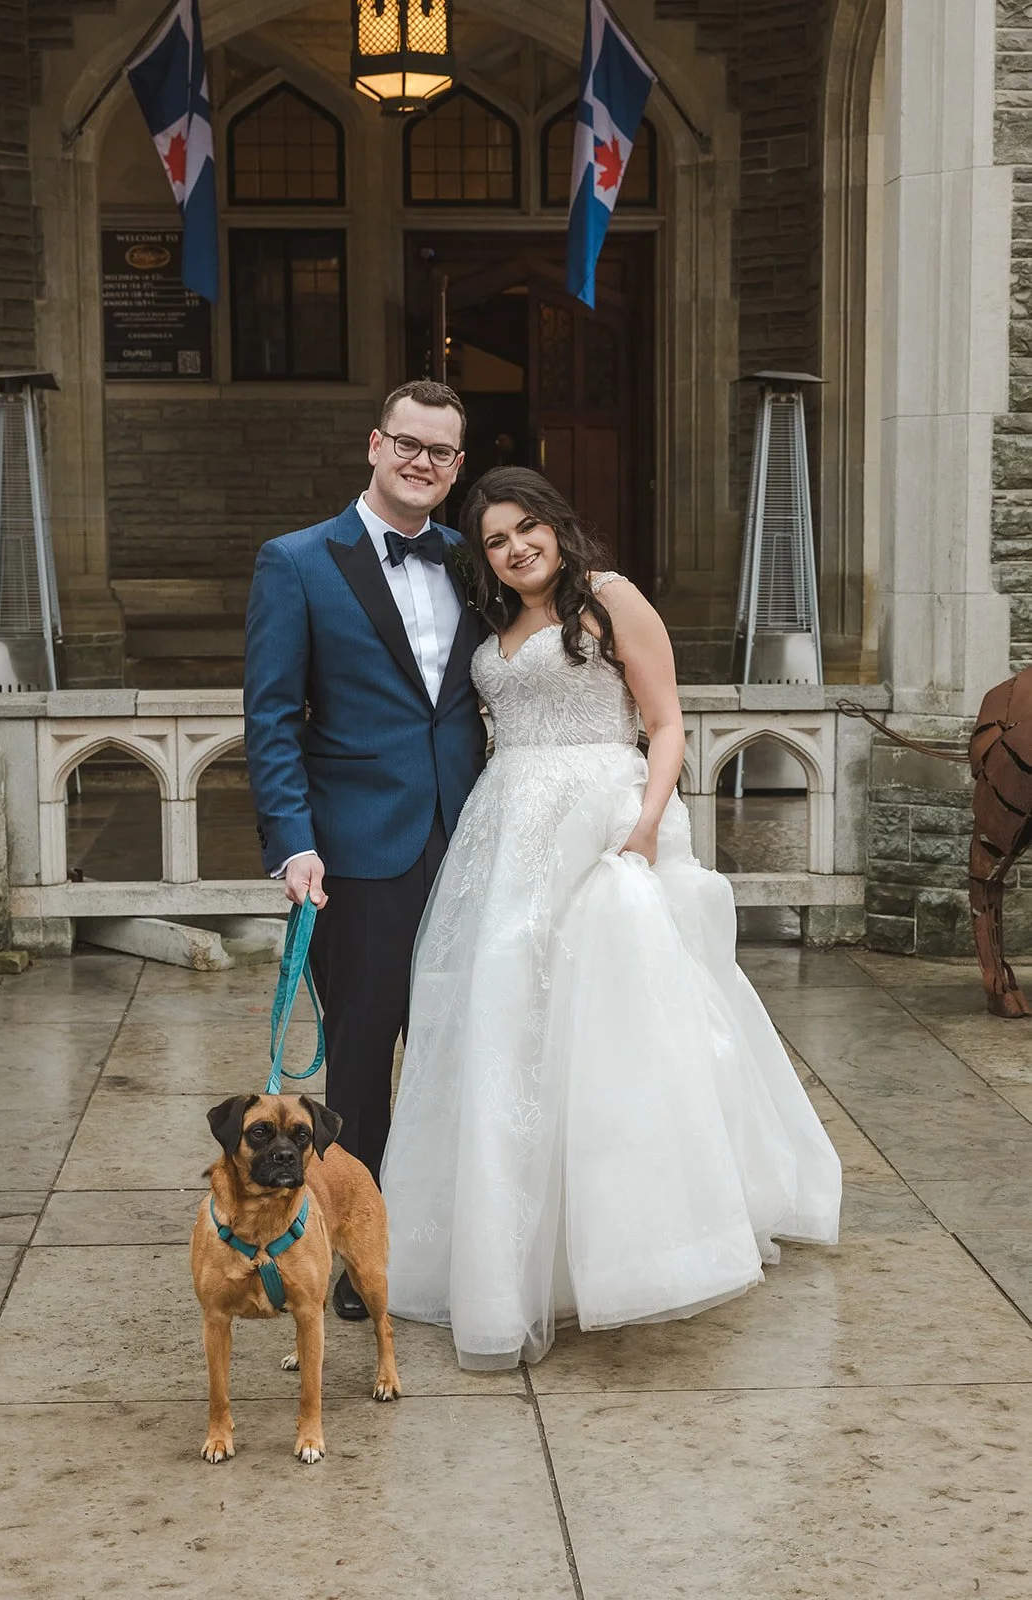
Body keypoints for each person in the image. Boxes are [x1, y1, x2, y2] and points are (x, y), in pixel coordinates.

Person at [380, 466, 842, 1370]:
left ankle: (641, 1240)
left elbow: (664, 722)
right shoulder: (498, 623)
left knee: (617, 1028)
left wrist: (640, 829)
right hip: (505, 828)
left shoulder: (610, 599)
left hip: (601, 816)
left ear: (555, 523)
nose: (515, 550)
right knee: (502, 1025)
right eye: (496, 542)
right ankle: (505, 1255)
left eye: (526, 530)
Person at [243, 380, 487, 1321]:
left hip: (471, 840)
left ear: (457, 467)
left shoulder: (478, 557)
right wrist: (293, 845)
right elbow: (270, 718)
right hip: (353, 853)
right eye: (408, 444)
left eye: (442, 453)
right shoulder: (297, 562)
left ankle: (448, 1238)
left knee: (459, 1047)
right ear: (375, 446)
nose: (423, 463)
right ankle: (355, 1255)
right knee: (358, 1070)